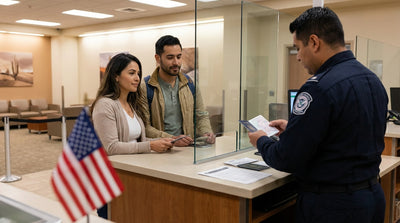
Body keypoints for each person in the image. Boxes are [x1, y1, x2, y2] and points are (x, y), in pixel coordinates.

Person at [248, 7, 388, 223]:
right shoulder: (371, 80)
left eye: (298, 48)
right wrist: (294, 128)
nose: (298, 58)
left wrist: (262, 141)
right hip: (371, 197)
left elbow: (287, 158)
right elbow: (347, 132)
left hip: (333, 205)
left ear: (314, 42)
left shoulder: (318, 87)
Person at [138, 35, 215, 146]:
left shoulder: (190, 84)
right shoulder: (145, 87)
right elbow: (144, 127)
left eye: (179, 57)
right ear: (158, 58)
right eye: (170, 57)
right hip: (160, 152)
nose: (176, 62)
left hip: (188, 150)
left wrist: (207, 132)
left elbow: (201, 115)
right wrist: (173, 139)